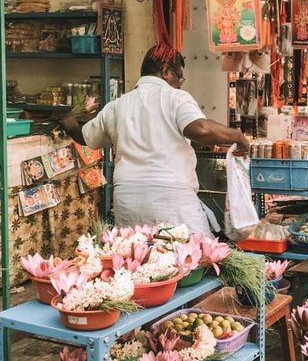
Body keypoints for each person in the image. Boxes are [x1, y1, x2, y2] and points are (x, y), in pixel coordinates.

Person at [61, 45, 249, 234]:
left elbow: (84, 136)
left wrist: (66, 119)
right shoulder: (175, 98)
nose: (180, 83)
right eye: (179, 76)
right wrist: (238, 136)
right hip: (170, 198)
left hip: (128, 199)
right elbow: (200, 129)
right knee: (196, 256)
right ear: (166, 71)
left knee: (137, 257)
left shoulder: (117, 106)